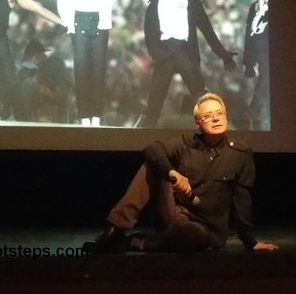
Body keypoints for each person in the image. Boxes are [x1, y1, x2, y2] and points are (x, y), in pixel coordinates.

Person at [0, 0, 167, 126]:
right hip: (77, 21)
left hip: (99, 22)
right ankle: (84, 118)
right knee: (81, 70)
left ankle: (96, 118)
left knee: (98, 70)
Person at [92, 93, 279, 253]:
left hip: (203, 227)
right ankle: (113, 230)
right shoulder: (187, 143)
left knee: (190, 238)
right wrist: (172, 172)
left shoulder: (240, 153)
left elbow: (242, 199)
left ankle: (135, 242)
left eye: (220, 114)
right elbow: (152, 149)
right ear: (198, 123)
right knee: (153, 164)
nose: (216, 119)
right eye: (208, 116)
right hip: (171, 212)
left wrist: (250, 242)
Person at [141, 0, 238, 128]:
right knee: (156, 96)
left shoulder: (192, 2)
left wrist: (222, 53)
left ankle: (213, 125)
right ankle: (145, 131)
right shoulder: (155, 3)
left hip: (185, 50)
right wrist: (156, 53)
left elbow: (207, 29)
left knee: (198, 91)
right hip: (164, 52)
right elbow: (149, 31)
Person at [243, 0, 271, 130]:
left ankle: (251, 116)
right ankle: (256, 123)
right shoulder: (254, 7)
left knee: (263, 89)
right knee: (263, 89)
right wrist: (248, 62)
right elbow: (249, 34)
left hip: (271, 57)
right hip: (259, 57)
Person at [18, 39, 71, 123]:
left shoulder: (46, 67)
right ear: (35, 56)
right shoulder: (25, 72)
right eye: (42, 55)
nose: (45, 57)